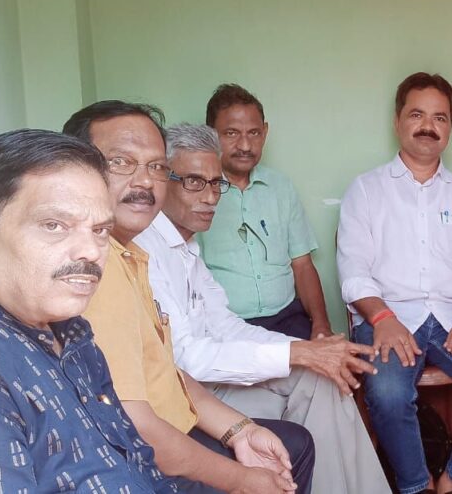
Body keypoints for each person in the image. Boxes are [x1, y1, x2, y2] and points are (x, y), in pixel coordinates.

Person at [63, 101, 314, 493]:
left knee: (294, 434)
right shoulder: (96, 268)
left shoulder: (132, 255)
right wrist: (244, 480)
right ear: (75, 171)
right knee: (290, 450)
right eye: (121, 162)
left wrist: (240, 431)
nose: (145, 181)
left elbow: (169, 370)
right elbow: (139, 428)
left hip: (180, 417)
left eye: (155, 167)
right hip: (137, 461)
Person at [135, 123, 388, 494]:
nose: (210, 197)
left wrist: (308, 351)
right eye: (194, 182)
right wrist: (297, 353)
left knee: (324, 378)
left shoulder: (188, 249)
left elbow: (227, 325)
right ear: (162, 180)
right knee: (312, 376)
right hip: (189, 402)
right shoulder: (145, 249)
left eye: (215, 183)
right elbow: (185, 358)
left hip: (210, 388)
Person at [0, 129, 177, 492]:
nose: (90, 251)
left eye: (100, 230)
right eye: (54, 225)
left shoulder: (72, 332)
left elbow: (139, 460)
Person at [337, 72, 452, 494]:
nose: (428, 126)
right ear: (397, 121)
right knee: (387, 393)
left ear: (450, 126)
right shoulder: (366, 190)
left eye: (439, 117)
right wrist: (381, 318)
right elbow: (353, 269)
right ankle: (416, 486)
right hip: (389, 317)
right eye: (417, 114)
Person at [196, 84, 331, 340]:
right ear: (210, 135)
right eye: (232, 133)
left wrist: (321, 325)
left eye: (254, 133)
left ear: (265, 132)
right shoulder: (197, 193)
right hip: (225, 326)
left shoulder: (281, 187)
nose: (245, 145)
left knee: (337, 363)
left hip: (287, 318)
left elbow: (302, 265)